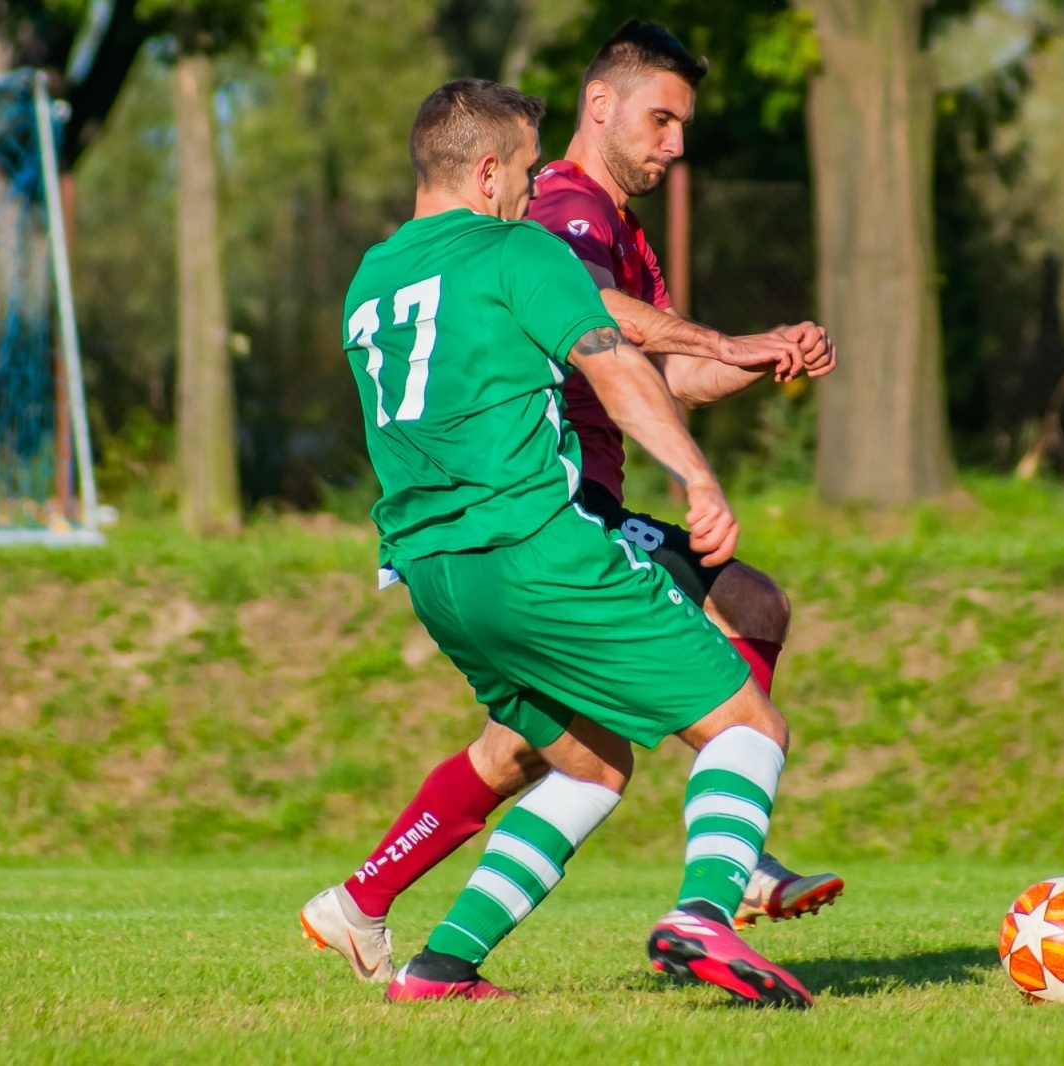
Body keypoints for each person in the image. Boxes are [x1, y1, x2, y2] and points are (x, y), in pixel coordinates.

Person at [301, 20, 841, 985]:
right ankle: (712, 897)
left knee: (583, 763)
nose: (531, 190)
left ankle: (437, 963)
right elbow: (615, 361)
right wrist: (700, 475)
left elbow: (609, 366)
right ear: (487, 176)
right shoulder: (529, 245)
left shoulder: (369, 281)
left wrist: (738, 356)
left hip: (431, 571)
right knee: (750, 723)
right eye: (523, 172)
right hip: (540, 540)